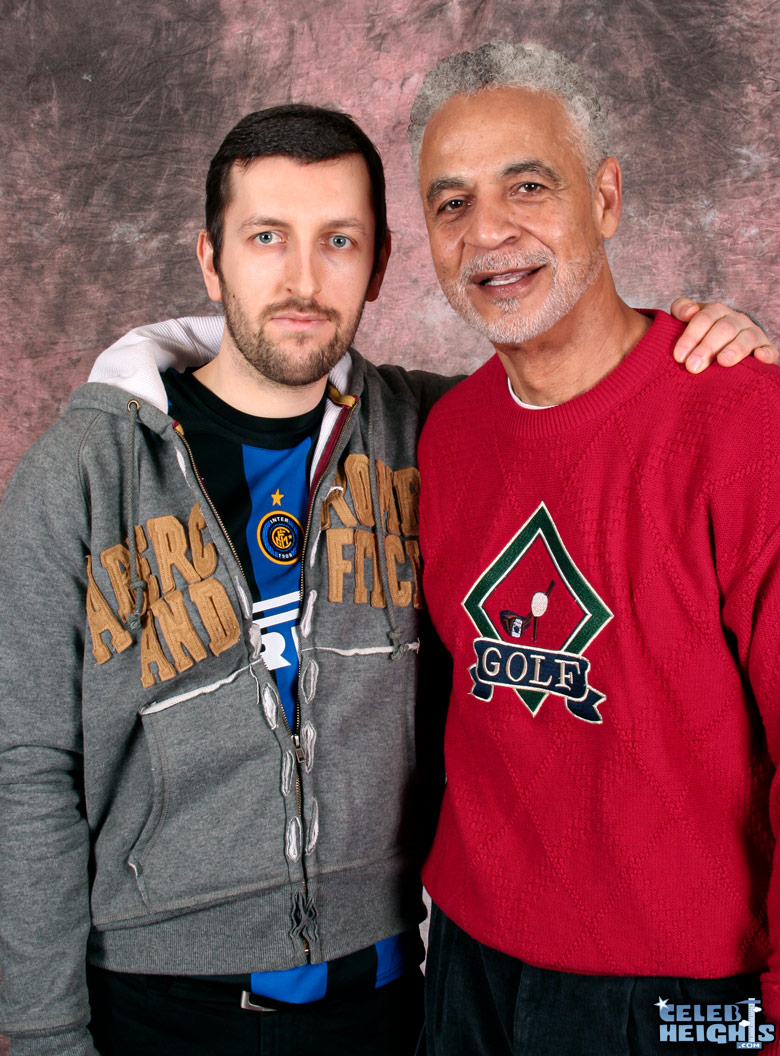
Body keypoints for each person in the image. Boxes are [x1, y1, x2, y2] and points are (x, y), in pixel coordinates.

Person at [0, 101, 771, 1056]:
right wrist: (39, 1033)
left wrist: (717, 346)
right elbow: (25, 771)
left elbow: (579, 396)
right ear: (210, 258)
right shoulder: (79, 475)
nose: (301, 279)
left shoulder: (433, 432)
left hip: (393, 995)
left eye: (339, 241)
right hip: (161, 1002)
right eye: (267, 237)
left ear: (379, 268)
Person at [409, 42, 780, 1055]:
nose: (489, 234)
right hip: (472, 971)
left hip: (681, 997)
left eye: (528, 186)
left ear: (606, 198)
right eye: (451, 205)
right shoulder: (447, 437)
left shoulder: (745, 418)